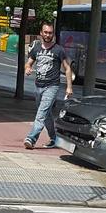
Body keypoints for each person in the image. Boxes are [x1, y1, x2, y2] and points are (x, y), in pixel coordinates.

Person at [24, 21, 73, 149]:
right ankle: (54, 138)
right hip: (38, 86)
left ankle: (31, 138)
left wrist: (69, 87)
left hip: (52, 86)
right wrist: (27, 68)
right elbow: (29, 63)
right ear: (41, 33)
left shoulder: (58, 50)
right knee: (47, 115)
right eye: (45, 32)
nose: (47, 35)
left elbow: (67, 68)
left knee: (41, 113)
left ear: (53, 34)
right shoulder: (36, 48)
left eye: (50, 33)